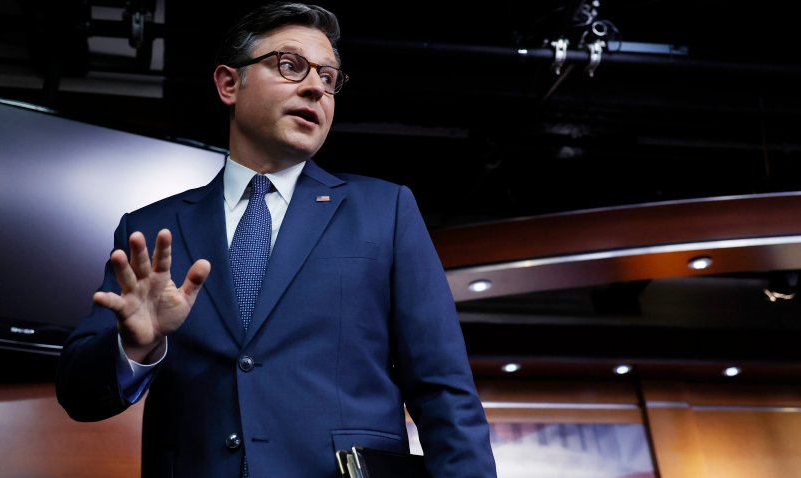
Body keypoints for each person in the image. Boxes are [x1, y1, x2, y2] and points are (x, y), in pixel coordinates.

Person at [55, 2, 497, 477]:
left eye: (329, 79)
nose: (315, 88)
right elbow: (81, 398)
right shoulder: (149, 232)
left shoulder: (384, 212)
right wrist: (135, 348)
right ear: (229, 84)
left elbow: (444, 392)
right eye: (291, 66)